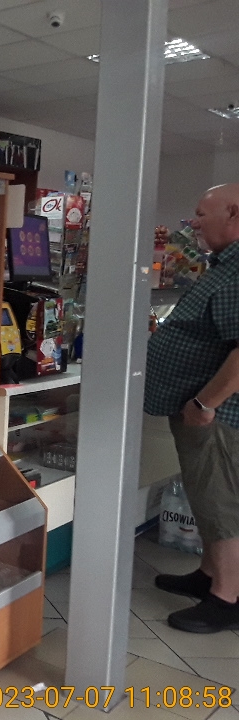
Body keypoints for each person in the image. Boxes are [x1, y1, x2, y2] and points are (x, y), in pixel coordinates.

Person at [145, 183, 239, 634]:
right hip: (202, 409)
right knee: (205, 497)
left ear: (234, 214)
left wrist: (205, 404)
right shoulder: (224, 265)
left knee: (218, 502)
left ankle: (227, 597)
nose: (194, 222)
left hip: (216, 414)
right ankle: (208, 575)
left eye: (202, 213)